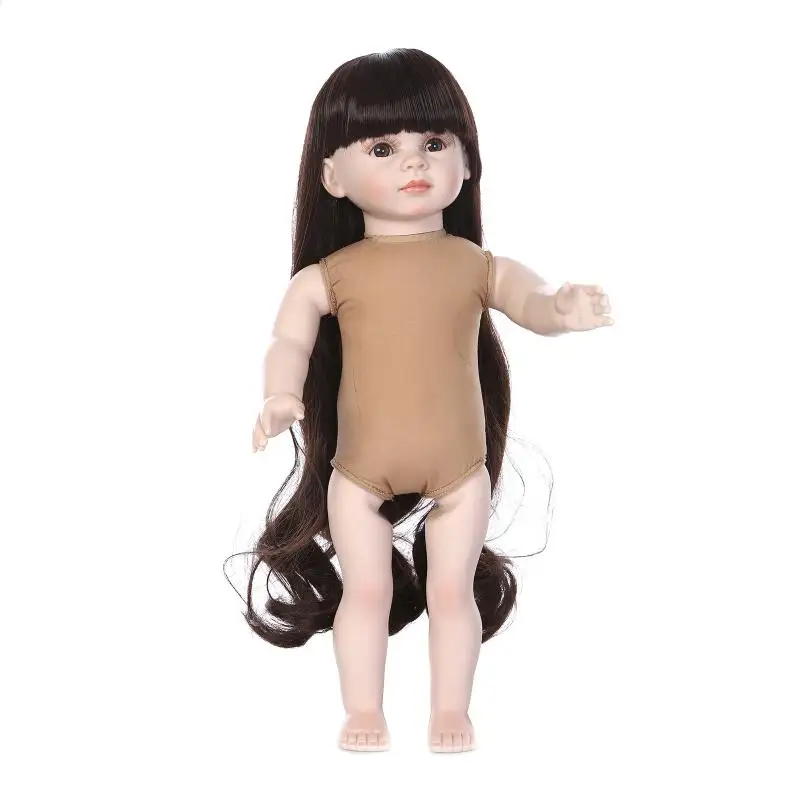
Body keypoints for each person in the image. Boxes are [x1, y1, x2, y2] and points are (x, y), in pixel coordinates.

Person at [235, 48, 612, 754]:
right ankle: (362, 711)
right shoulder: (327, 277)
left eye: (434, 142)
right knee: (366, 592)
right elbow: (288, 341)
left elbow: (530, 300)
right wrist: (281, 395)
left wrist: (561, 310)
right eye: (382, 148)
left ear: (467, 162)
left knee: (450, 593)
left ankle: (451, 711)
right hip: (357, 472)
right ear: (332, 175)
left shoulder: (476, 265)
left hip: (460, 471)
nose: (414, 161)